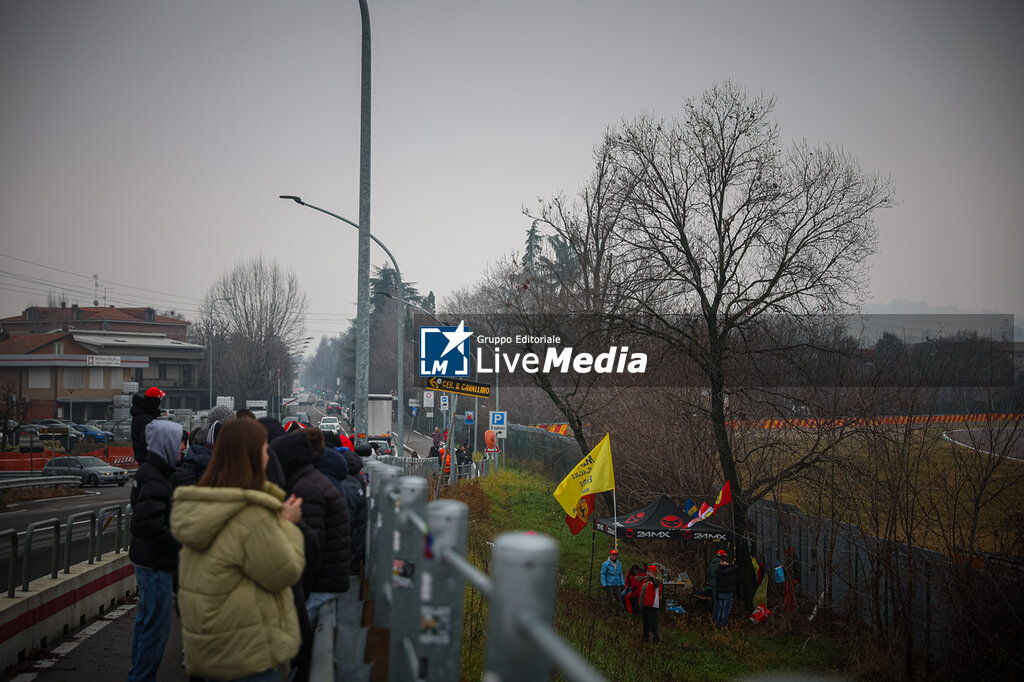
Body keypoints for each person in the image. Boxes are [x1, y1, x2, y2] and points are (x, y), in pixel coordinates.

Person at [171, 418, 306, 682]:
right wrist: (287, 524)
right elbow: (284, 572)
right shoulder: (250, 515)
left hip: (212, 649)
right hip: (247, 652)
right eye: (265, 449)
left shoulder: (203, 505)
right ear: (253, 456)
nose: (269, 455)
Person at [127, 419, 186, 682]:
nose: (181, 450)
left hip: (148, 562)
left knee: (145, 624)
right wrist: (179, 546)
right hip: (155, 564)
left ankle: (138, 675)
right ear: (166, 445)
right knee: (156, 630)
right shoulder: (155, 477)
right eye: (177, 444)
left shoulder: (151, 472)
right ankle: (141, 677)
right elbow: (151, 525)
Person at [273, 427, 351, 623]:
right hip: (325, 584)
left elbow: (311, 549)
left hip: (319, 588)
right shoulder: (311, 482)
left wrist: (298, 592)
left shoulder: (307, 490)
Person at [130, 386, 164, 465]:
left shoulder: (140, 414)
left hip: (143, 458)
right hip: (148, 460)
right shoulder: (147, 418)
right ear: (155, 402)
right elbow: (145, 441)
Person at [639, 564, 663, 643]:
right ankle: (645, 638)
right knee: (645, 623)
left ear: (655, 572)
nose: (650, 573)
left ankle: (656, 639)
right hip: (645, 604)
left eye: (652, 571)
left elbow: (657, 583)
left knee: (653, 623)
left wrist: (652, 577)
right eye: (649, 571)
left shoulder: (657, 580)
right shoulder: (646, 580)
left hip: (652, 605)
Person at [714, 553, 738, 628]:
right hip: (727, 593)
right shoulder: (728, 571)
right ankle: (723, 625)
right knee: (726, 610)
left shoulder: (719, 571)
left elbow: (717, 570)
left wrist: (721, 565)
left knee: (720, 609)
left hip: (720, 592)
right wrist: (729, 564)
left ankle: (718, 623)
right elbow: (736, 567)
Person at [600, 549, 625, 613]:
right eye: (613, 555)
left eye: (615, 555)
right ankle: (610, 614)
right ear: (610, 555)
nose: (614, 556)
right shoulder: (606, 564)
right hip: (609, 584)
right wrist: (604, 584)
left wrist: (622, 583)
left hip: (618, 584)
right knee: (610, 600)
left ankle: (618, 613)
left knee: (619, 599)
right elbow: (602, 574)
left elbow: (620, 574)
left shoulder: (619, 564)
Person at [783, 546, 801, 611]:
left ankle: (788, 608)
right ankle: (791, 607)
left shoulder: (791, 559)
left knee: (789, 593)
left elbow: (789, 570)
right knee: (790, 593)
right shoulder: (793, 558)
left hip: (791, 579)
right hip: (792, 579)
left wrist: (783, 568)